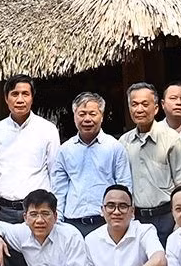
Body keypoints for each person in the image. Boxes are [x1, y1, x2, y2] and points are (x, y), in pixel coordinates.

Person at [0, 75, 60, 266]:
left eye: (25, 94)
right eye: (14, 94)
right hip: (7, 210)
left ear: (32, 97)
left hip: (38, 211)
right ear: (6, 99)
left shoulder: (47, 130)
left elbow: (55, 173)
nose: (20, 99)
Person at [52, 92, 133, 235]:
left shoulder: (115, 147)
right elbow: (59, 189)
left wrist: (125, 221)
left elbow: (124, 185)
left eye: (92, 114)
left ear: (101, 116)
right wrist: (58, 223)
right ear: (74, 116)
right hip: (72, 223)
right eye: (82, 114)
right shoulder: (64, 150)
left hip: (106, 222)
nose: (87, 119)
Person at [121, 82, 181, 241]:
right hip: (136, 219)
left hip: (166, 217)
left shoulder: (171, 139)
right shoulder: (123, 142)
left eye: (145, 104)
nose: (139, 109)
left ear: (155, 108)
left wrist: (178, 219)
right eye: (134, 104)